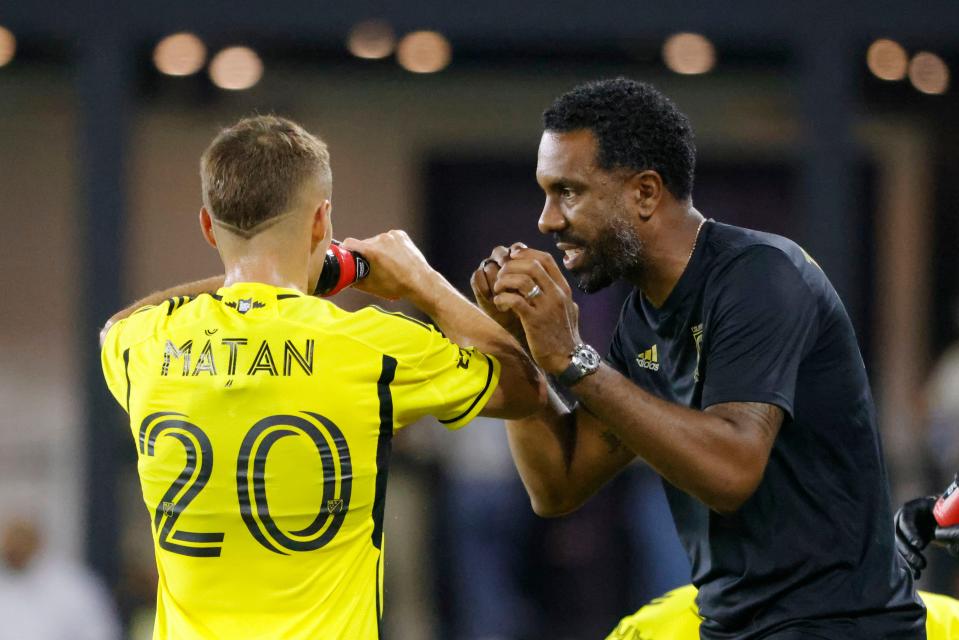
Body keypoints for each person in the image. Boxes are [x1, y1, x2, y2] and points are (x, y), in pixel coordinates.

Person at [470, 78, 924, 639]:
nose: (547, 220)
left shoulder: (762, 276)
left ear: (645, 193)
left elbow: (731, 471)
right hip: (735, 628)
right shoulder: (644, 316)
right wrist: (522, 347)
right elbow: (559, 485)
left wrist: (573, 357)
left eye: (568, 191)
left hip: (840, 628)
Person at [99, 115, 545, 639]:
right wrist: (421, 280)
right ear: (320, 222)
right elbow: (524, 385)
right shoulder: (372, 346)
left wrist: (246, 273)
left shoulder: (149, 344)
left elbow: (114, 327)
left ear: (207, 226)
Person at [0, 516, 121, 640]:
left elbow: (101, 632)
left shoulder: (73, 586)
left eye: (21, 538)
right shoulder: (4, 584)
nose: (15, 545)